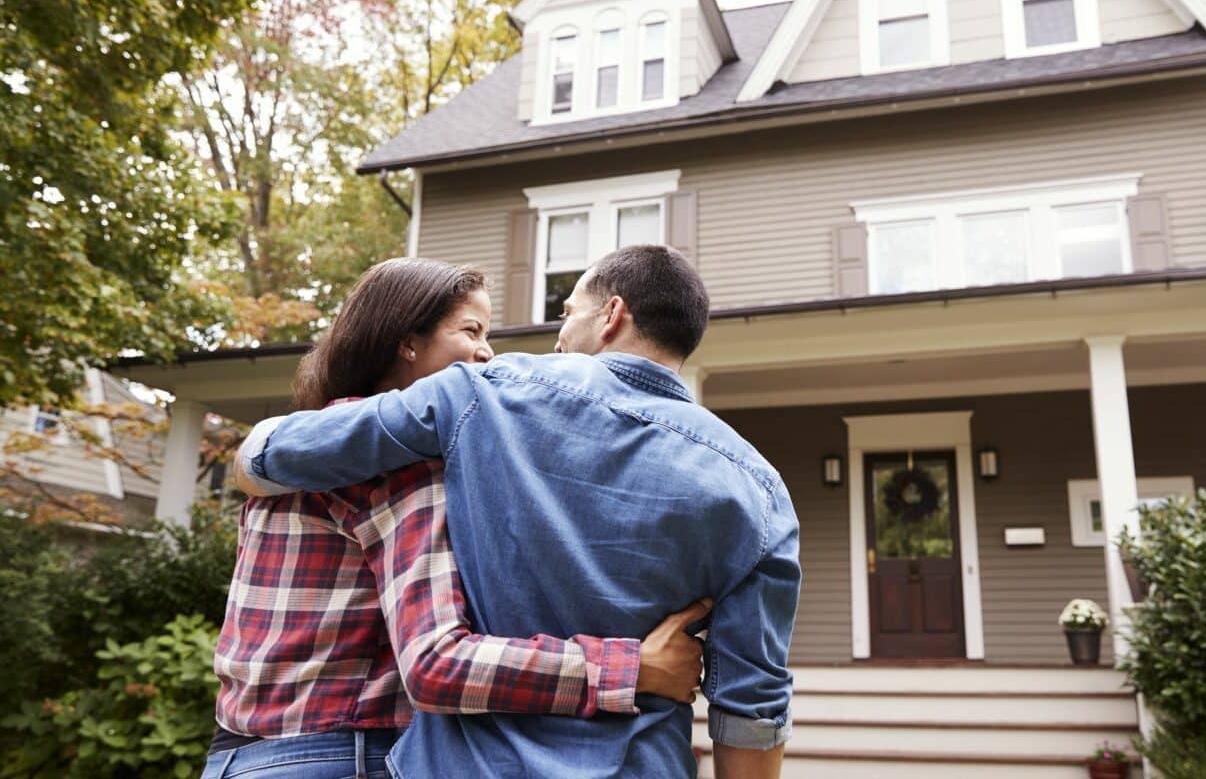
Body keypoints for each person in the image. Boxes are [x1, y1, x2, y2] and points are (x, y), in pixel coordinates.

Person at [236, 245, 801, 779]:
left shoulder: (484, 393)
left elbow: (283, 452)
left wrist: (250, 460)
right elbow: (752, 705)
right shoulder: (760, 490)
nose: (557, 338)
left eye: (567, 313)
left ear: (611, 316)